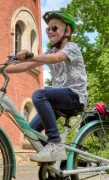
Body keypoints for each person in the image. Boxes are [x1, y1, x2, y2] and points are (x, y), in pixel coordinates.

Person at [6, 11, 88, 163]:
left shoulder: (72, 47)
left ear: (67, 31)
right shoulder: (50, 51)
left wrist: (30, 54)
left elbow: (56, 58)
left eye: (54, 28)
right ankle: (60, 161)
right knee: (30, 131)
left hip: (75, 96)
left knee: (40, 94)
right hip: (59, 100)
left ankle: (55, 144)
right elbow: (26, 66)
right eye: (48, 29)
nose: (50, 31)